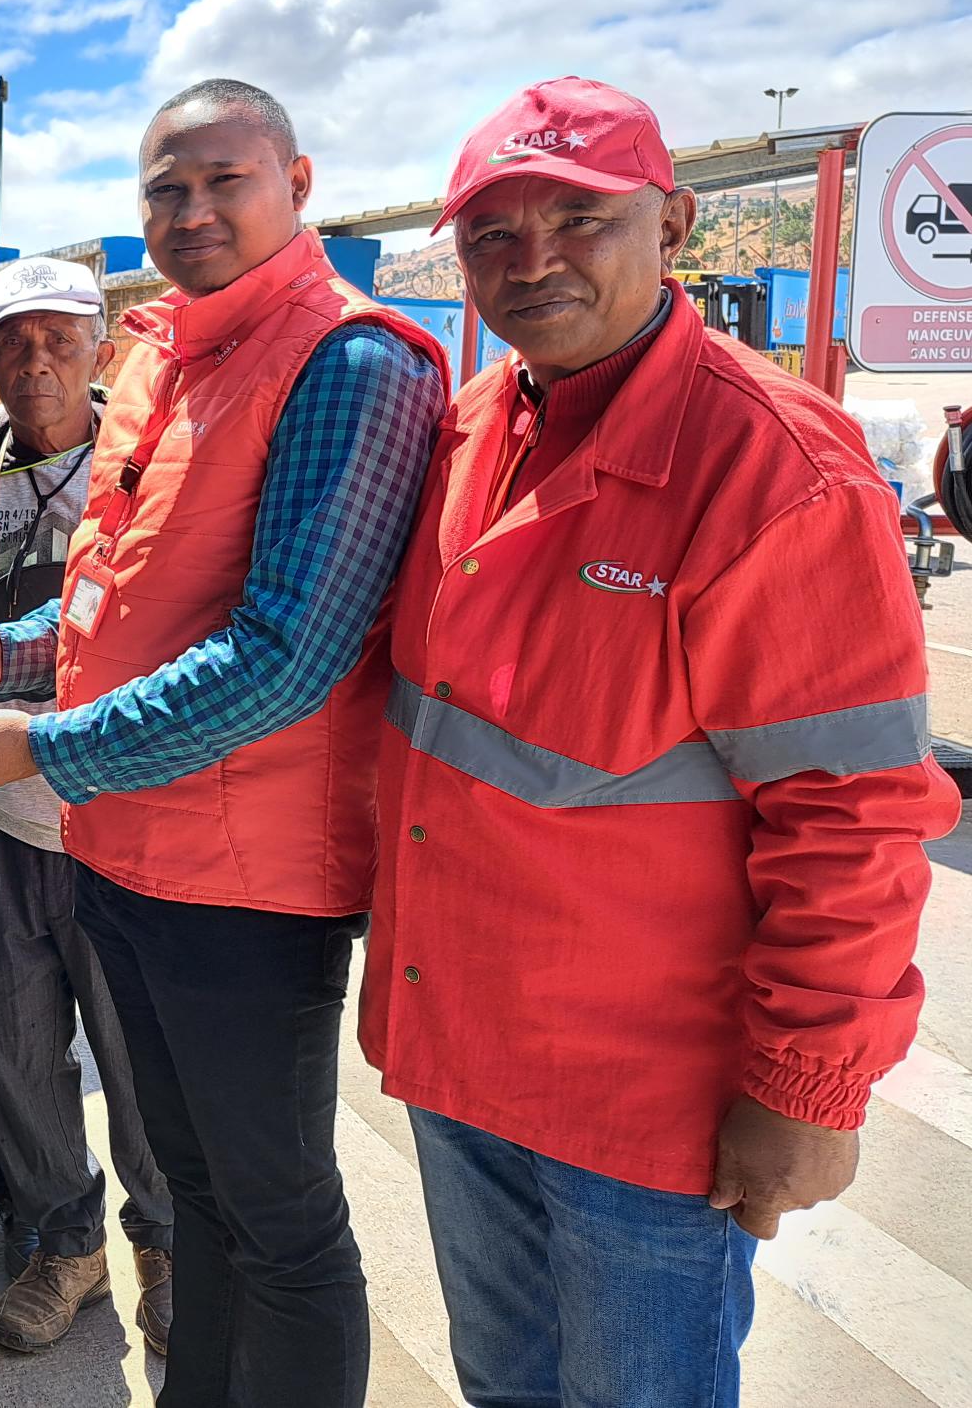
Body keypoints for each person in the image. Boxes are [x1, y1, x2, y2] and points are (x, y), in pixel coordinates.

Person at [363, 77, 955, 1408]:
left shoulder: (775, 471)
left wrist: (807, 1086)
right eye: (494, 236)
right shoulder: (471, 429)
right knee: (503, 1382)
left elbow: (851, 815)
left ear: (675, 222)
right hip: (461, 1050)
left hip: (640, 1108)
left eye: (580, 219)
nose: (535, 262)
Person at [0, 79, 449, 1408]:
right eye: (167, 186)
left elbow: (285, 656)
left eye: (226, 179)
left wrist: (42, 746)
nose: (193, 209)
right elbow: (132, 602)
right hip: (136, 860)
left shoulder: (349, 361)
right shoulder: (167, 352)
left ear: (299, 181)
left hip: (249, 887)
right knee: (198, 1200)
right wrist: (14, 654)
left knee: (278, 1218)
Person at [0, 256, 176, 1356]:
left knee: (140, 1059)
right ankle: (62, 1243)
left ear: (101, 345)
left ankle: (165, 1240)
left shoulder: (155, 461)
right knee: (13, 1052)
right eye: (13, 342)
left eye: (57, 339)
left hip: (120, 821)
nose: (35, 362)